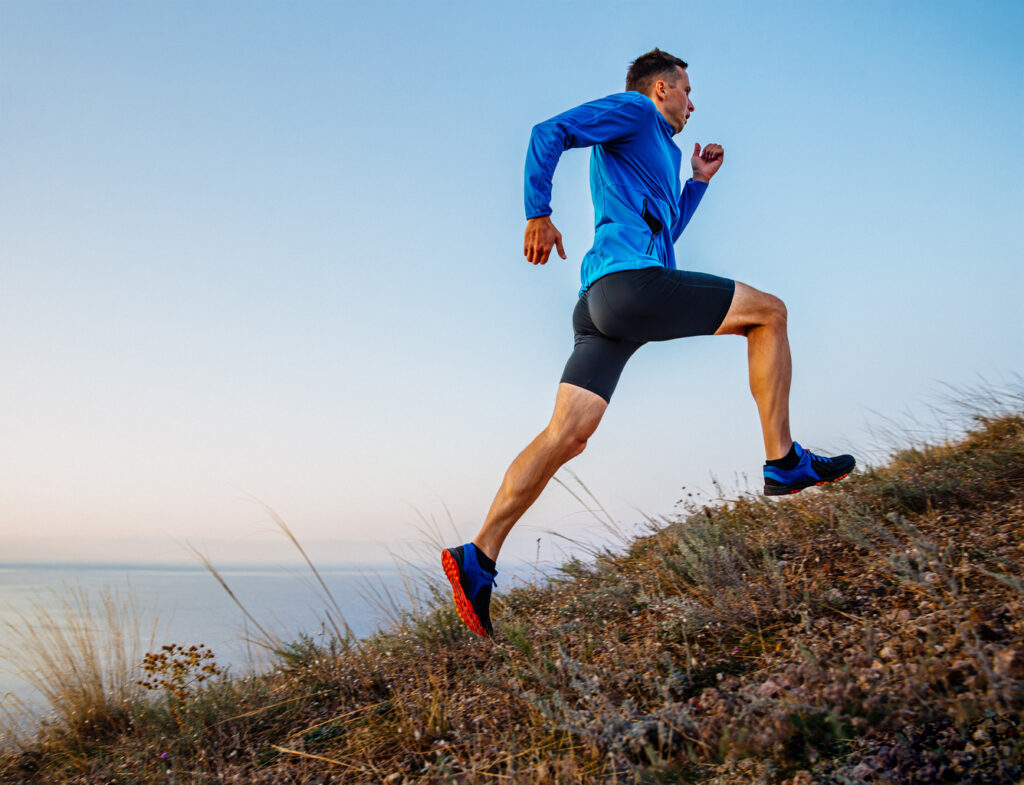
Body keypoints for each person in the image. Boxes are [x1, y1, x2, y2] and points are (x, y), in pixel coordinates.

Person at [441, 49, 855, 638]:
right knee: (770, 315)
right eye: (688, 90)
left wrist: (697, 183)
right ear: (661, 88)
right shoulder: (635, 111)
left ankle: (477, 556)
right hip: (628, 288)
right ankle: (784, 462)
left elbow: (664, 236)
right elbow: (548, 131)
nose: (694, 102)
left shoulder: (657, 149)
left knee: (567, 435)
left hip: (604, 304)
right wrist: (538, 212)